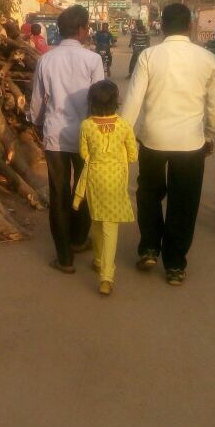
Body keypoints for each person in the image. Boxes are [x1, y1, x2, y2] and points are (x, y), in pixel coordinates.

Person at [120, 3, 215, 286]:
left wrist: (122, 136)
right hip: (191, 143)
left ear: (162, 26)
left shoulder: (149, 56)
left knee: (149, 194)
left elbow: (133, 101)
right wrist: (210, 135)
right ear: (189, 26)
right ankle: (175, 264)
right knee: (184, 202)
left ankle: (150, 248)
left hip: (153, 139)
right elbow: (214, 105)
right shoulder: (206, 58)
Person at [29, 5, 105, 273]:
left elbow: (38, 102)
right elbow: (101, 103)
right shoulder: (93, 60)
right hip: (87, 136)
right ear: (83, 29)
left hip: (56, 137)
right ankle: (78, 239)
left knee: (59, 193)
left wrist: (37, 124)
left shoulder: (46, 60)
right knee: (83, 190)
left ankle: (64, 258)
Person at [73, 80, 137, 295]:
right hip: (116, 179)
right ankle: (106, 277)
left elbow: (83, 154)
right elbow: (133, 155)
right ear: (116, 101)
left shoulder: (86, 125)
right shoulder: (124, 125)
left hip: (95, 179)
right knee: (110, 227)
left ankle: (99, 260)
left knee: (97, 220)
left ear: (91, 102)